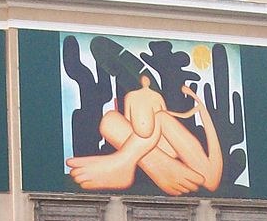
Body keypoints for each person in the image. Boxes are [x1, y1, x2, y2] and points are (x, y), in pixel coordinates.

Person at [66, 77, 224, 196]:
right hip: (153, 141)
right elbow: (151, 115)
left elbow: (212, 183)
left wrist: (198, 106)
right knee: (110, 119)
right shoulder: (143, 97)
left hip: (162, 145)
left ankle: (124, 160)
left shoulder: (209, 174)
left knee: (151, 118)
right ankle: (127, 161)